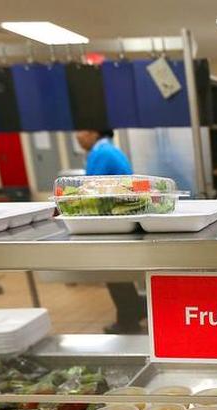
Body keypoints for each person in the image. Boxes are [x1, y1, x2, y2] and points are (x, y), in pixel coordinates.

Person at [75, 129, 143, 334]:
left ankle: (128, 320)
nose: (77, 136)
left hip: (111, 222)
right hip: (119, 219)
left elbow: (90, 190)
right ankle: (131, 314)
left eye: (81, 131)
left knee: (114, 274)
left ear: (94, 132)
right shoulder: (109, 150)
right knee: (117, 274)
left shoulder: (101, 153)